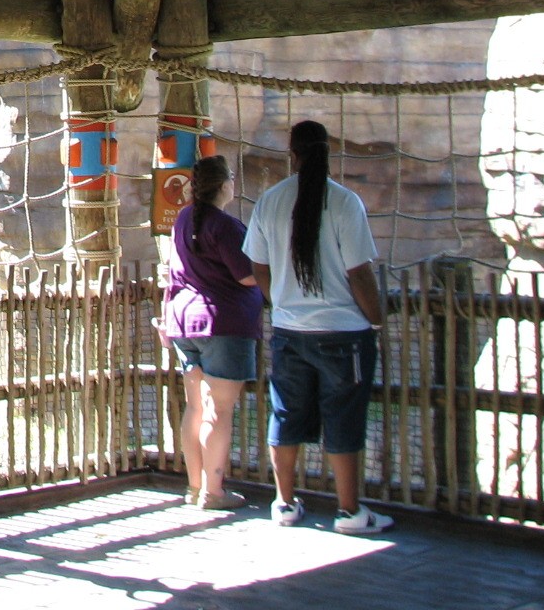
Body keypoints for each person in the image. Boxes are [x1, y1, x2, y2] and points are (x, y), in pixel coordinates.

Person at [243, 120, 392, 533]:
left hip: (289, 331)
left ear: (292, 154)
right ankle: (349, 512)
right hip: (344, 333)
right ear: (328, 152)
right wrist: (376, 319)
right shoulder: (345, 202)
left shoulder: (270, 201)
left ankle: (284, 504)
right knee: (343, 417)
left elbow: (258, 266)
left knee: (286, 415)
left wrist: (280, 302)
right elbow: (359, 273)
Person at [164, 154, 263, 510]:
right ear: (224, 185)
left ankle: (194, 486)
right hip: (222, 323)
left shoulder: (182, 219)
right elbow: (246, 275)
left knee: (195, 407)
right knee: (218, 410)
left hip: (184, 323)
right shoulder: (226, 226)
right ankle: (214, 491)